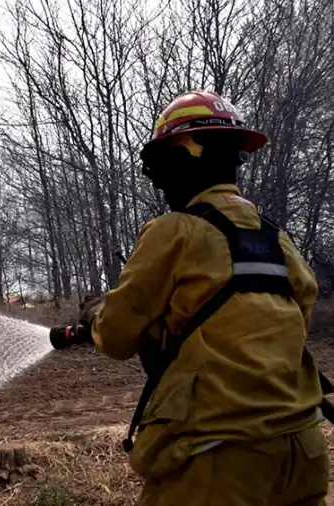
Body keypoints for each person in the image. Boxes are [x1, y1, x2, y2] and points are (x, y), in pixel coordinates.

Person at [77, 90, 331, 505]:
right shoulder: (278, 240)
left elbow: (119, 336)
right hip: (302, 449)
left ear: (182, 158)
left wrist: (94, 317)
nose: (158, 180)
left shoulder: (174, 230)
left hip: (216, 454)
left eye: (158, 166)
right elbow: (290, 324)